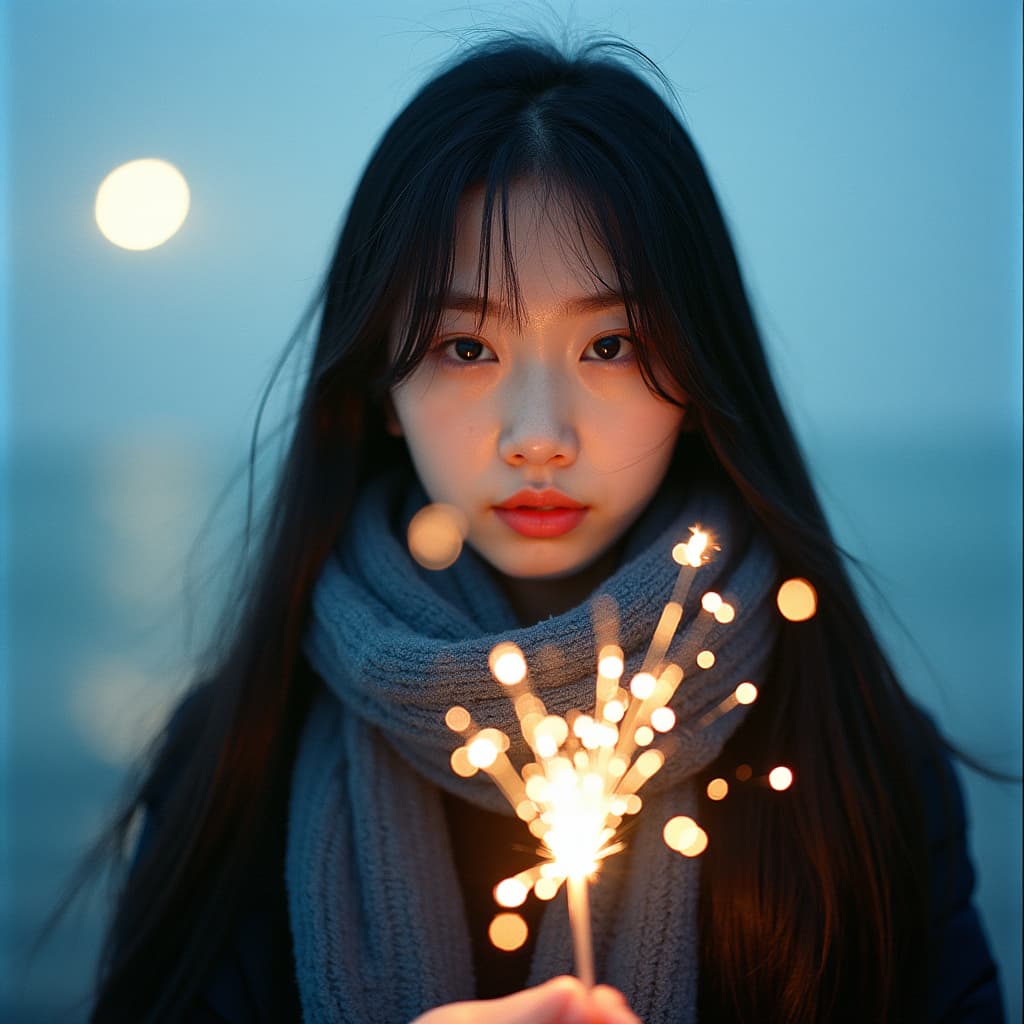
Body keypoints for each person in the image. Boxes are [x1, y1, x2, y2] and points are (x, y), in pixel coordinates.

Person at [71, 32, 1004, 1023]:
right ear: (381, 385)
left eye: (610, 344)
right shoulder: (234, 755)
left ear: (696, 374)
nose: (538, 438)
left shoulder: (857, 753)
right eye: (465, 345)